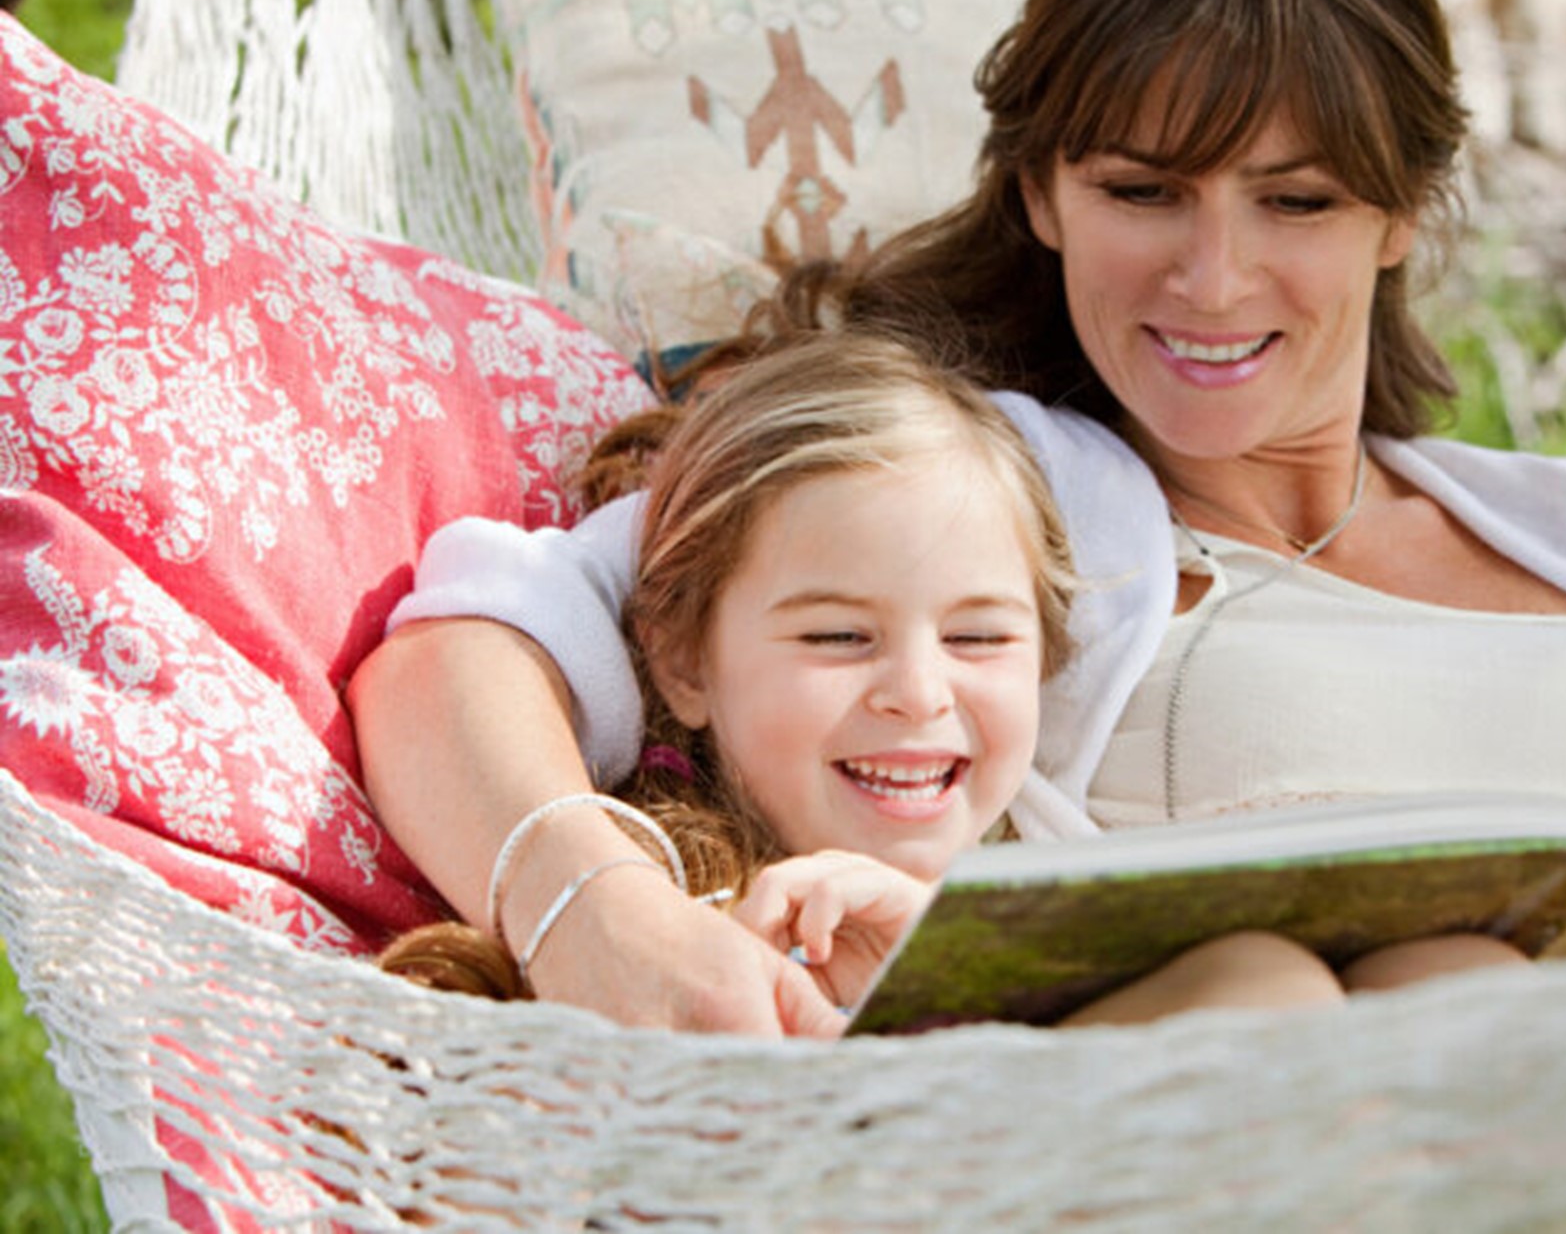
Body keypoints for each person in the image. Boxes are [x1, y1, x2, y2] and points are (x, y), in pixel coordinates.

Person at [348, 0, 1566, 1035]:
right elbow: (463, 650)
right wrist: (599, 912)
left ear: (1404, 214)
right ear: (1044, 193)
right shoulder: (978, 487)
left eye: (1298, 202)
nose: (1212, 277)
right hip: (1323, 1120)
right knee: (1442, 987)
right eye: (1145, 191)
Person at [375, 327, 1347, 1025]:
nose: (918, 693)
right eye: (838, 637)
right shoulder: (687, 943)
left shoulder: (1055, 864)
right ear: (681, 662)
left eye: (977, 641)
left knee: (1268, 978)